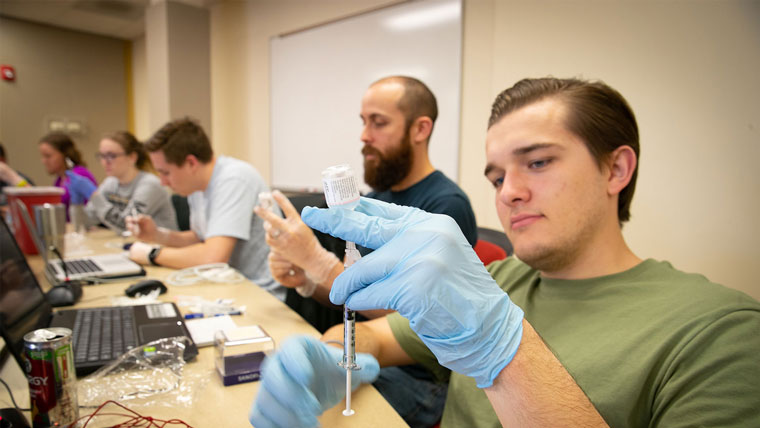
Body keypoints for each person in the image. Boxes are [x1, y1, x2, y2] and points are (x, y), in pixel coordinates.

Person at [249, 77, 760, 428]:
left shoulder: (721, 332)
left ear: (615, 170)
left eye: (536, 163)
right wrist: (333, 360)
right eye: (496, 176)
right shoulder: (499, 281)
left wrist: (505, 353)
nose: (507, 192)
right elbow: (376, 340)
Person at [254, 76, 478, 427]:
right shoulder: (377, 199)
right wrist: (308, 281)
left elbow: (418, 315)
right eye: (363, 122)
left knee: (326, 417)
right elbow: (359, 299)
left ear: (420, 129)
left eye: (379, 122)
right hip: (369, 347)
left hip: (420, 374)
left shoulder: (445, 206)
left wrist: (320, 263)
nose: (364, 135)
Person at [126, 118, 283, 300]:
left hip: (262, 294)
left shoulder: (234, 179)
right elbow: (199, 239)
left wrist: (152, 254)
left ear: (191, 163)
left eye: (165, 172)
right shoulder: (196, 186)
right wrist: (157, 236)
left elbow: (213, 257)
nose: (162, 182)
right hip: (229, 284)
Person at [83, 131, 177, 232]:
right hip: (131, 243)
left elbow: (126, 228)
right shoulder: (110, 183)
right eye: (102, 156)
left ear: (132, 157)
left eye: (112, 156)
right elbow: (87, 221)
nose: (105, 162)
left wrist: (94, 196)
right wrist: (77, 203)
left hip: (160, 245)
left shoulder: (150, 184)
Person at [38, 132, 98, 213]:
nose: (43, 161)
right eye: (43, 156)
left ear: (64, 155)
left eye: (48, 156)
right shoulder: (59, 180)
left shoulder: (79, 175)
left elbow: (51, 201)